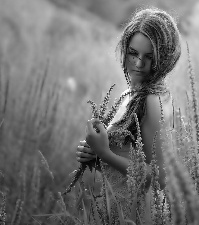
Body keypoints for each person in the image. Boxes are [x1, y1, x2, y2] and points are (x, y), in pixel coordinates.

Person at [76, 7, 181, 223]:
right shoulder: (131, 93)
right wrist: (95, 155)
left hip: (136, 215)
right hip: (116, 208)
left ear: (165, 59)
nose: (139, 64)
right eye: (133, 53)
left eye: (149, 57)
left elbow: (158, 179)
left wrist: (105, 153)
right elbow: (127, 159)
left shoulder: (152, 101)